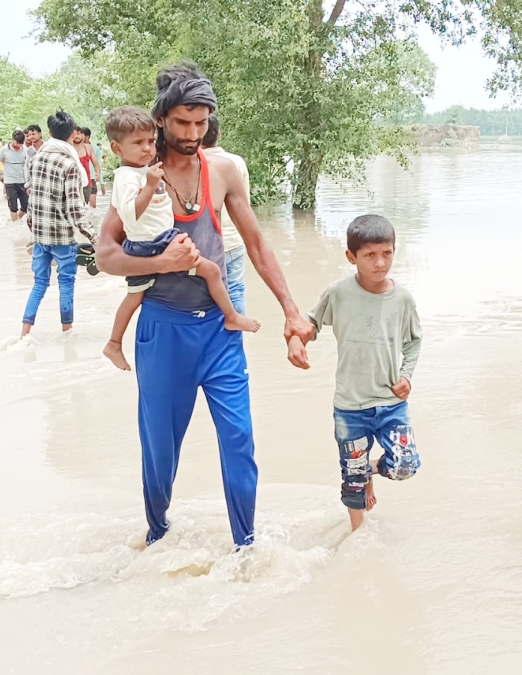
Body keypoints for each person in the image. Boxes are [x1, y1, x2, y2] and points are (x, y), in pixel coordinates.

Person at [95, 63, 315, 549]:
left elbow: (257, 245)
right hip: (163, 329)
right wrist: (158, 260)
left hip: (220, 328)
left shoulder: (223, 171)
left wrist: (291, 310)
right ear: (161, 122)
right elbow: (105, 256)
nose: (192, 134)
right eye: (181, 123)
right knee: (160, 451)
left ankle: (248, 548)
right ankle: (157, 538)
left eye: (201, 123)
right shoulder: (135, 178)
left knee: (239, 439)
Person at [287, 214, 423, 532]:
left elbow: (414, 341)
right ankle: (359, 535)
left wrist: (407, 376)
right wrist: (295, 340)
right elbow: (309, 323)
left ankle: (367, 469)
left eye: (386, 253)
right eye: (370, 255)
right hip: (350, 406)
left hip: (390, 403)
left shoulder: (402, 299)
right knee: (353, 485)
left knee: (405, 465)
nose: (380, 263)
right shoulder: (339, 293)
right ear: (352, 257)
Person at [101, 106, 259, 372]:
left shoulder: (142, 171)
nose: (148, 149)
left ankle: (114, 342)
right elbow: (128, 213)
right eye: (138, 143)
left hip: (159, 239)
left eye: (151, 141)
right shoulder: (128, 178)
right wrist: (151, 186)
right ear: (117, 149)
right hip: (152, 245)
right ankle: (231, 316)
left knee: (135, 296)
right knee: (210, 270)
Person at [20, 111, 89, 338]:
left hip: (40, 236)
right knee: (66, 284)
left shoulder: (37, 157)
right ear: (72, 134)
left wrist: (32, 225)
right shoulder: (69, 163)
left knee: (39, 284)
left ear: (49, 133)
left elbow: (32, 196)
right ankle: (67, 333)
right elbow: (75, 209)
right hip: (62, 237)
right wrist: (95, 238)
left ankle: (25, 333)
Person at [200, 115, 250, 314]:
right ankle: (237, 335)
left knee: (208, 294)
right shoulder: (236, 161)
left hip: (208, 244)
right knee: (236, 289)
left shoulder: (196, 163)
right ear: (219, 134)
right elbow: (245, 202)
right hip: (235, 239)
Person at [0, 130, 35, 221]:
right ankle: (14, 224)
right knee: (13, 205)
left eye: (20, 144)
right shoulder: (4, 150)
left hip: (23, 181)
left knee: (26, 206)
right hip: (10, 181)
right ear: (12, 139)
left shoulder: (26, 149)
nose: (18, 146)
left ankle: (17, 218)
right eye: (17, 143)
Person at [68, 128, 95, 205]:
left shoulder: (88, 148)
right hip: (72, 182)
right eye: (75, 134)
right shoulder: (68, 147)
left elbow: (95, 163)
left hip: (86, 183)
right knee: (74, 205)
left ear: (82, 135)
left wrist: (98, 174)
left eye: (78, 134)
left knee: (85, 205)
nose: (76, 136)